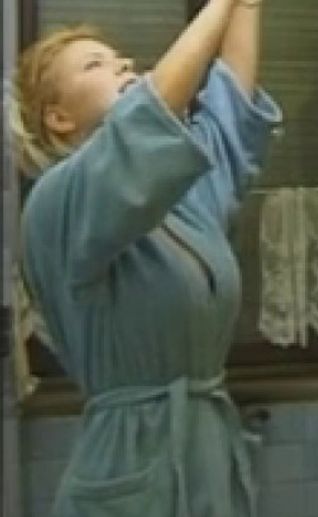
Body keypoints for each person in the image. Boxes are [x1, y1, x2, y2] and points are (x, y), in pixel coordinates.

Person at [8, 0, 281, 514]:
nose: (123, 66)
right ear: (58, 118)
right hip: (129, 465)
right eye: (96, 65)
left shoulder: (183, 197)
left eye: (121, 59)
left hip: (207, 456)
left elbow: (230, 112)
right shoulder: (57, 205)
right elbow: (149, 116)